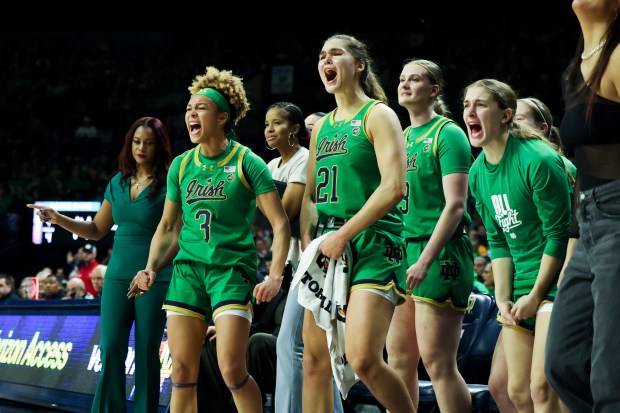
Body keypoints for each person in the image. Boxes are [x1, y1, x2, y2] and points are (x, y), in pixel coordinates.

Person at [128, 66, 291, 413]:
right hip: (188, 271)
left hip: (231, 270)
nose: (190, 114)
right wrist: (150, 268)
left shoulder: (248, 162)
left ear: (222, 116)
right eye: (188, 109)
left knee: (232, 370)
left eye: (199, 107)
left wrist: (275, 275)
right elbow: (168, 226)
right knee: (183, 373)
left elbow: (280, 224)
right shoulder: (181, 165)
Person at [28, 116, 176, 413]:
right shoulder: (117, 183)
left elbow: (176, 234)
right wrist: (58, 219)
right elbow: (96, 229)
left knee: (148, 351)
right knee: (111, 350)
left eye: (148, 142)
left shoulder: (172, 181)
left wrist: (152, 269)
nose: (141, 148)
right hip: (117, 276)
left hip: (154, 277)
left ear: (159, 146)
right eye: (136, 142)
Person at [299, 34, 415, 413]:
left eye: (335, 53)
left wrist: (344, 233)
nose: (325, 61)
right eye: (321, 55)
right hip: (329, 244)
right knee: (314, 361)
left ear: (359, 65)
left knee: (363, 357)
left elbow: (394, 187)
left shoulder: (378, 114)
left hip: (374, 243)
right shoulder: (323, 128)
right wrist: (308, 240)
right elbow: (313, 196)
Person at [464, 78, 571, 412]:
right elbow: (498, 241)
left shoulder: (538, 159)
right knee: (516, 390)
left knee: (542, 387)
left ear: (506, 115)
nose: (470, 111)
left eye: (480, 104)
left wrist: (537, 294)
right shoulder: (477, 173)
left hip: (557, 283)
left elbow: (560, 235)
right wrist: (503, 297)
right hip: (520, 286)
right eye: (466, 104)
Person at [385, 58, 473, 413]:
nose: (404, 84)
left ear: (434, 90)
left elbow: (455, 206)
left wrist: (424, 260)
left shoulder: (448, 134)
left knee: (438, 365)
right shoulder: (402, 137)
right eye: (402, 78)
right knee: (399, 360)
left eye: (415, 80)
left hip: (440, 253)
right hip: (403, 250)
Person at [546, 2, 620, 411]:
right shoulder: (575, 69)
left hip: (617, 212)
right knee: (563, 363)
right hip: (589, 219)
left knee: (612, 376)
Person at [267, 103, 344, 413]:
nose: (313, 133)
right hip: (302, 264)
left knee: (291, 344)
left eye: (316, 128)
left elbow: (281, 217)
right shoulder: (280, 165)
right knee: (318, 352)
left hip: (325, 263)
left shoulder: (311, 163)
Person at [197, 289, 288, 412]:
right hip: (263, 344)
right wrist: (227, 331)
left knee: (259, 342)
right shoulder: (278, 290)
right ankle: (214, 407)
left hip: (290, 351)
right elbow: (261, 325)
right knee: (211, 341)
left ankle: (240, 407)